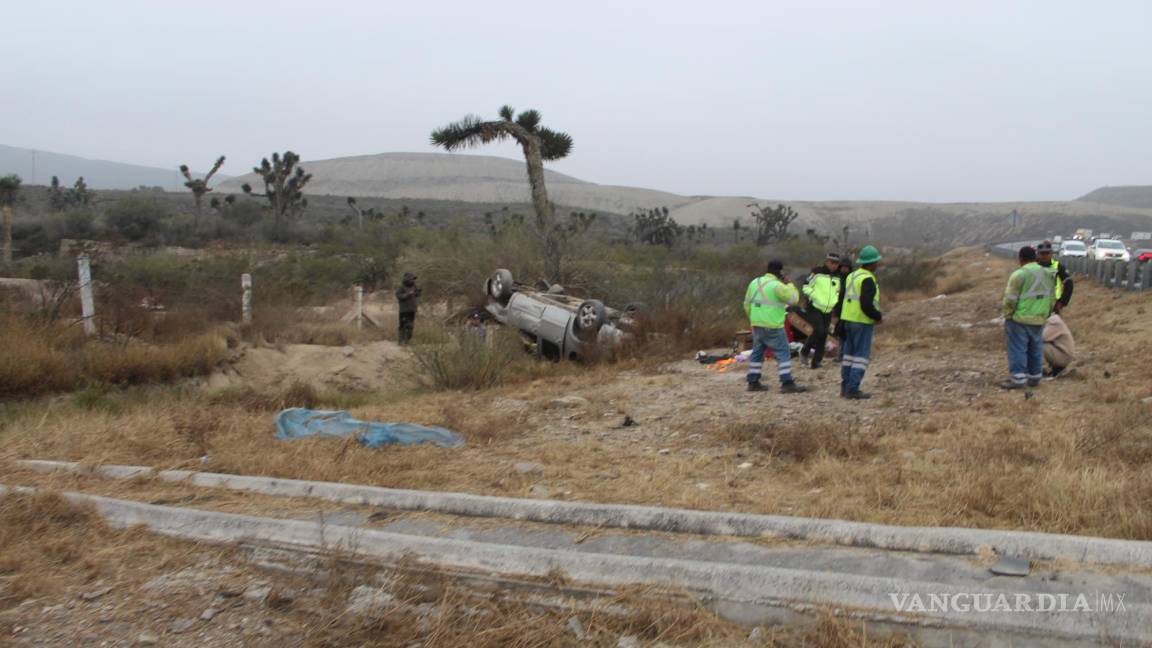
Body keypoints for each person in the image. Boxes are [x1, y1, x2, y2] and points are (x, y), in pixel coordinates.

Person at [743, 260, 808, 394]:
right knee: (783, 352)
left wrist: (753, 319)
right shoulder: (777, 286)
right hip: (773, 325)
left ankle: (753, 382)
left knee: (757, 353)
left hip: (757, 324)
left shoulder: (754, 283)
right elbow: (794, 299)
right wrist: (789, 283)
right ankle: (787, 382)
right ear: (780, 272)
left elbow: (746, 304)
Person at [1000, 246, 1054, 389]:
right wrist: (1047, 313)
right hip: (1039, 318)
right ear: (1035, 257)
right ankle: (1035, 376)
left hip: (1020, 318)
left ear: (1021, 259)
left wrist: (1008, 314)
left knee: (1018, 348)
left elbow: (1010, 299)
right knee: (1035, 347)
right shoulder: (1048, 273)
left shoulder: (1019, 275)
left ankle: (1018, 379)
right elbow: (1051, 297)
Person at [840, 246, 883, 399]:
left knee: (848, 355)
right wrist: (877, 316)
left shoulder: (852, 276)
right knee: (860, 357)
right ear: (871, 263)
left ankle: (845, 387)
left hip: (848, 320)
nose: (877, 265)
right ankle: (853, 389)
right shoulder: (868, 279)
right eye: (876, 262)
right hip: (862, 321)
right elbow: (866, 303)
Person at [799, 252, 842, 369]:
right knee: (820, 331)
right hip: (815, 307)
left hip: (828, 309)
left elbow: (837, 291)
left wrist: (835, 300)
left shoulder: (838, 276)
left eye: (836, 263)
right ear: (827, 262)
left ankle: (816, 361)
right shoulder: (816, 272)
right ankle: (804, 351)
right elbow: (805, 286)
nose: (834, 265)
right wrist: (814, 295)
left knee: (823, 335)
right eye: (832, 262)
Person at [1035, 240, 1074, 313]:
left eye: (1047, 253)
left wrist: (1062, 302)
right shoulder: (1032, 266)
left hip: (1052, 306)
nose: (1044, 256)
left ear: (1051, 254)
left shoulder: (1057, 266)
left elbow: (1069, 283)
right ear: (1037, 254)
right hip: (1034, 305)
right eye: (1042, 253)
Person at [1042, 312, 1076, 378]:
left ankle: (1038, 370)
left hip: (1064, 356)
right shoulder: (1054, 320)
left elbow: (1041, 337)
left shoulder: (1054, 322)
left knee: (1037, 346)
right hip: (1062, 353)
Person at [832, 258, 853, 360]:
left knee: (848, 333)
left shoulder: (852, 279)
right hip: (839, 310)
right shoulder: (836, 279)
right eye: (843, 267)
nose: (844, 269)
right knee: (841, 333)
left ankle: (847, 354)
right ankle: (841, 354)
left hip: (850, 310)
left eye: (846, 267)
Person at [395, 272, 421, 344]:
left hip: (412, 310)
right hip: (404, 310)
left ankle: (407, 340)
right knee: (403, 325)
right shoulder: (401, 287)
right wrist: (408, 294)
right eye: (412, 279)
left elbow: (417, 295)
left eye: (413, 279)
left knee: (410, 325)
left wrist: (418, 292)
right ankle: (401, 341)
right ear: (407, 279)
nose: (413, 281)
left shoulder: (414, 286)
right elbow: (398, 296)